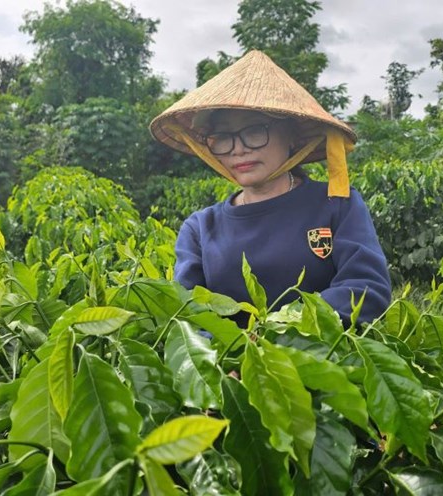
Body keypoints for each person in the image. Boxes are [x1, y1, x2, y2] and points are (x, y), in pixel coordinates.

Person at [149, 50, 391, 326]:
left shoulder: (336, 205)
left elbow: (365, 288)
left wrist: (274, 334)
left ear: (290, 136)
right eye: (223, 137)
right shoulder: (201, 228)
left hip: (323, 364)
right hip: (227, 366)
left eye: (254, 131)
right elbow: (188, 312)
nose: (238, 149)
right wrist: (231, 356)